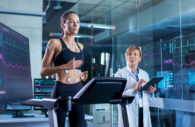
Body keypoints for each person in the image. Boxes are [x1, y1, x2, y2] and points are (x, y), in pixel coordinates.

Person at [40, 10, 88, 127]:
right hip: (62, 90)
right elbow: (43, 71)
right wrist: (64, 66)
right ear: (63, 24)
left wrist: (80, 75)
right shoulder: (55, 43)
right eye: (72, 22)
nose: (76, 25)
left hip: (78, 90)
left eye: (78, 22)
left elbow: (75, 69)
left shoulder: (80, 46)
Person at [114, 45, 156, 127]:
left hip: (143, 110)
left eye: (135, 54)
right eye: (129, 54)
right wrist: (134, 90)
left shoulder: (145, 74)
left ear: (140, 58)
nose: (132, 56)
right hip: (129, 111)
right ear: (126, 57)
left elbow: (149, 98)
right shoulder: (119, 74)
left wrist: (151, 92)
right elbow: (117, 96)